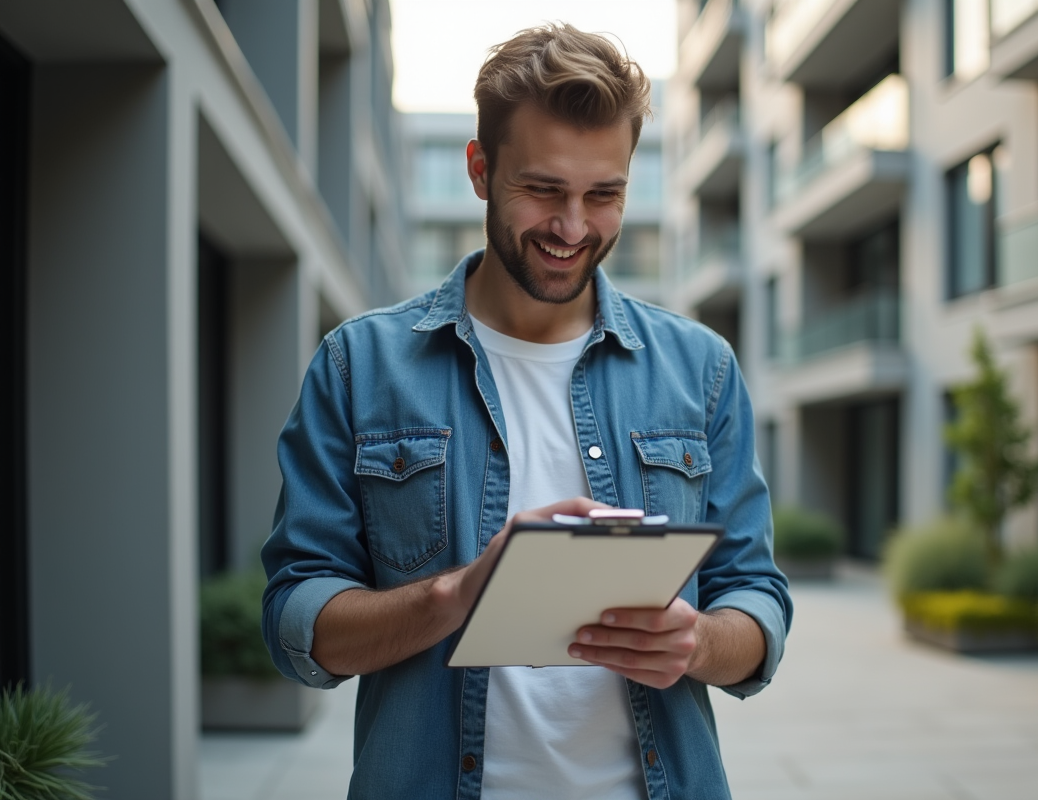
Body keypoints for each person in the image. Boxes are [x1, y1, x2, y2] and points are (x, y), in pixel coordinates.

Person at [261, 22, 792, 800]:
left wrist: (698, 641)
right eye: (543, 189)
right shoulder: (359, 366)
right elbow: (295, 619)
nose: (573, 228)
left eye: (603, 195)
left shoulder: (700, 367)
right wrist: (460, 595)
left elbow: (757, 601)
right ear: (480, 170)